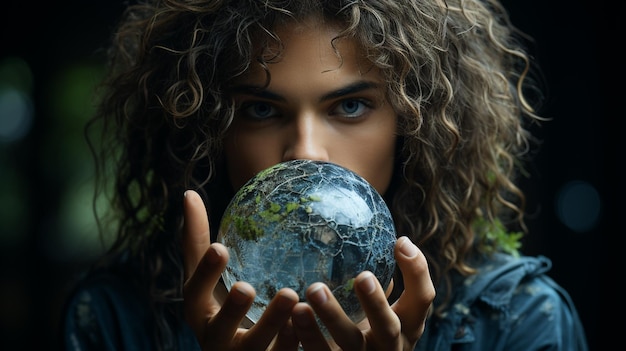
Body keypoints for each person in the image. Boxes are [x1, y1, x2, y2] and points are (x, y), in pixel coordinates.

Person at [61, 0, 589, 350]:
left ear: (412, 121)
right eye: (261, 111)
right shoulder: (115, 318)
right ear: (205, 127)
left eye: (351, 106)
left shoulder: (517, 319)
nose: (306, 153)